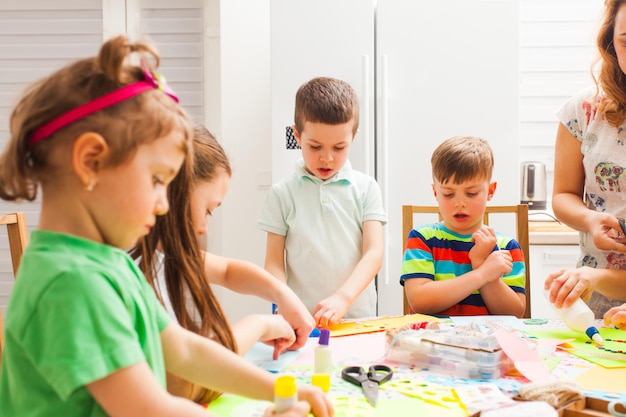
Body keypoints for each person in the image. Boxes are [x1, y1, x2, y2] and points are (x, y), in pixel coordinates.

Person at [0, 35, 332, 417]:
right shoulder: (70, 282)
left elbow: (185, 351)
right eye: (158, 180)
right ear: (91, 161)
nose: (163, 204)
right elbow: (148, 408)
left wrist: (277, 388)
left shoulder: (108, 264)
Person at [132, 124, 315, 404]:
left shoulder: (168, 257)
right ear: (175, 193)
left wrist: (283, 296)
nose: (204, 227)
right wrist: (261, 325)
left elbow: (229, 271)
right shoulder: (137, 273)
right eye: (207, 210)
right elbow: (189, 377)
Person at [258, 76, 387, 327]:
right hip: (304, 320)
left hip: (358, 317)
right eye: (315, 146)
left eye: (339, 147)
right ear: (297, 136)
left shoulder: (366, 188)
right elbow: (273, 262)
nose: (326, 158)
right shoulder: (282, 194)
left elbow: (374, 253)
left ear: (353, 137)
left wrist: (342, 298)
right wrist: (282, 303)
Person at [545, 0, 626, 319]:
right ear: (610, 42)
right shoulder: (583, 111)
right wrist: (590, 219)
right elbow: (564, 195)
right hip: (596, 297)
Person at [400, 136, 526, 317]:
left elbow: (514, 315)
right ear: (436, 192)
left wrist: (484, 266)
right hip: (433, 341)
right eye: (448, 194)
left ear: (490, 191)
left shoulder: (507, 247)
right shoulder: (422, 239)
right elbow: (420, 302)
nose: (459, 203)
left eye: (471, 193)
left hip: (488, 343)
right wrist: (482, 273)